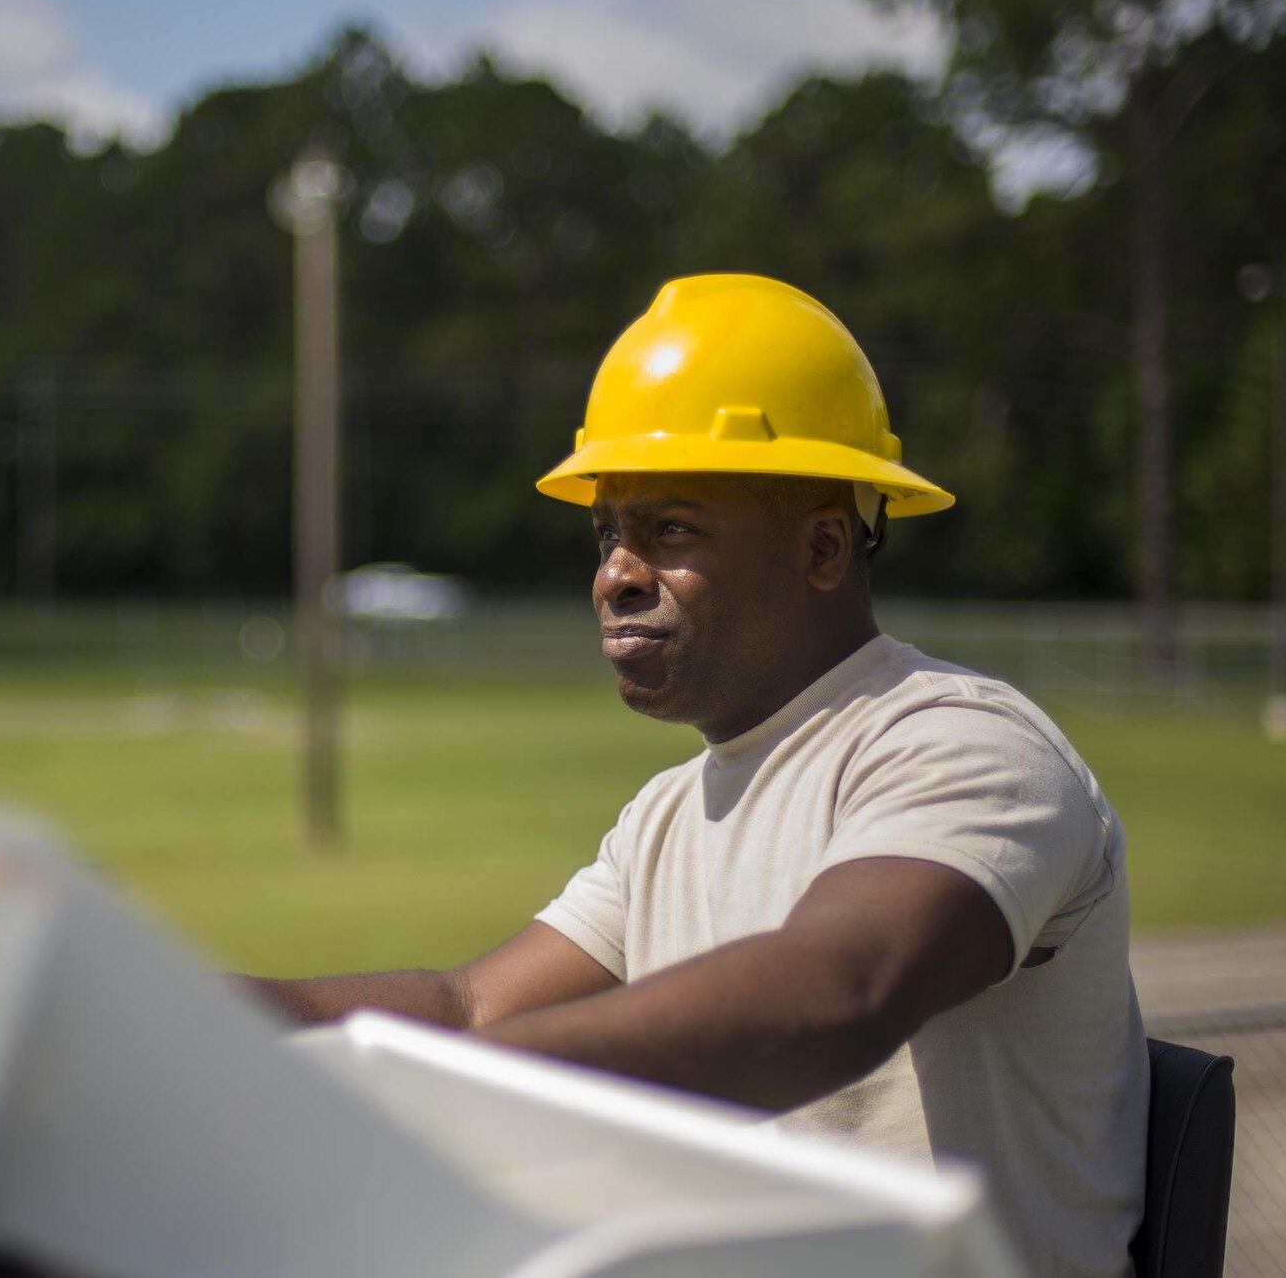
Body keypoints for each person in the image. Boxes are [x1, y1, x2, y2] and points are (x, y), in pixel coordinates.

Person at [243, 274, 1148, 1278]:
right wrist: (186, 1021)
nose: (615, 575)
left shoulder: (958, 746)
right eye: (605, 534)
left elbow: (835, 991)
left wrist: (439, 1092)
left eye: (669, 530)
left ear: (819, 546)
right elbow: (470, 1006)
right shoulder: (669, 811)